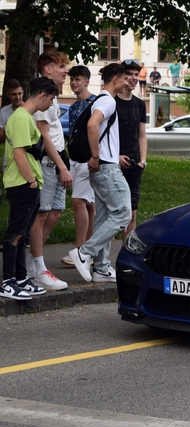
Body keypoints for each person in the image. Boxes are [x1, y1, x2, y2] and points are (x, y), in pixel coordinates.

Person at [69, 63, 132, 283]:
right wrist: (95, 156)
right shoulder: (107, 100)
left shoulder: (101, 100)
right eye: (125, 78)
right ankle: (84, 252)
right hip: (105, 167)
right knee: (124, 213)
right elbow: (92, 125)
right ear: (115, 79)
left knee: (105, 215)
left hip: (102, 166)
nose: (127, 82)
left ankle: (102, 268)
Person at [1, 77, 59, 300]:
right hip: (22, 184)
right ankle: (8, 282)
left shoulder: (24, 117)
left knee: (22, 234)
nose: (52, 104)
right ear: (42, 95)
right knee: (15, 234)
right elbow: (19, 153)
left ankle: (20, 278)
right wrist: (32, 182)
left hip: (27, 183)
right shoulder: (22, 118)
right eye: (51, 99)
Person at [27, 51, 70, 291]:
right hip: (47, 163)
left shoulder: (52, 96)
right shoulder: (42, 95)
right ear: (47, 70)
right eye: (60, 66)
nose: (66, 70)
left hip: (57, 163)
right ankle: (38, 268)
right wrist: (63, 166)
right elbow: (45, 136)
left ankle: (33, 264)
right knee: (41, 215)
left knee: (54, 213)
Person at [60, 65, 97, 267]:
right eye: (72, 79)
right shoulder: (73, 107)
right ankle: (90, 249)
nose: (74, 82)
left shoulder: (95, 103)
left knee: (78, 201)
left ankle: (81, 250)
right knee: (89, 204)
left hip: (88, 158)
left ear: (86, 81)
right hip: (75, 157)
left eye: (78, 79)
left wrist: (95, 156)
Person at [117, 59, 148, 246]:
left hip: (134, 164)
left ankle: (127, 252)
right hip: (113, 163)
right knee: (114, 211)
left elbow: (142, 135)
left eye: (136, 74)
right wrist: (115, 157)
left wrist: (142, 161)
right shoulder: (111, 101)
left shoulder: (139, 104)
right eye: (129, 73)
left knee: (132, 211)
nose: (134, 78)